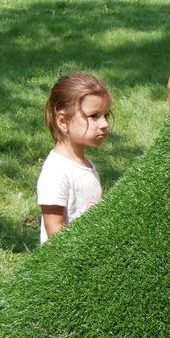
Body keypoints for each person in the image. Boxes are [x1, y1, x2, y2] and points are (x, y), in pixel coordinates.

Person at [37, 73, 112, 244]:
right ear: (63, 121)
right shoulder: (56, 172)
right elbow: (55, 232)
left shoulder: (85, 164)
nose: (105, 124)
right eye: (94, 116)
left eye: (106, 115)